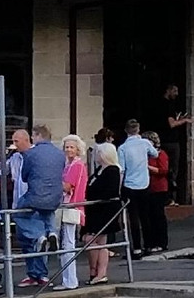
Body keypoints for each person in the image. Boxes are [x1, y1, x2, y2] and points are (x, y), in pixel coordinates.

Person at [12, 125, 65, 287]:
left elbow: (25, 177)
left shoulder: (31, 154)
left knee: (19, 214)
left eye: (16, 141)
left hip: (33, 197)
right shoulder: (59, 153)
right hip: (54, 198)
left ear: (35, 136)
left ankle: (41, 237)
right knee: (46, 215)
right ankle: (52, 234)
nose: (13, 144)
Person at [117, 119, 158, 256]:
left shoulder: (122, 148)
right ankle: (149, 245)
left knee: (133, 217)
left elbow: (121, 170)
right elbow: (155, 153)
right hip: (144, 183)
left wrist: (119, 188)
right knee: (145, 215)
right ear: (138, 129)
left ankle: (136, 248)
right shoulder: (145, 143)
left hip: (130, 184)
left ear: (126, 131)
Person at [83, 142, 122, 286]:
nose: (96, 155)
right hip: (94, 210)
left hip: (105, 210)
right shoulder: (99, 169)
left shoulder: (112, 170)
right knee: (94, 240)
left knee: (94, 240)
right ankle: (95, 272)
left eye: (99, 153)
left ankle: (99, 272)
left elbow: (110, 191)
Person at [58, 134, 88, 290]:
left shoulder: (75, 166)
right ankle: (68, 279)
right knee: (66, 243)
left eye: (71, 147)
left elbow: (67, 186)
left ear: (77, 150)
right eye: (67, 147)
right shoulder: (73, 164)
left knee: (68, 244)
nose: (68, 150)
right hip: (71, 205)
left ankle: (70, 280)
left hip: (71, 205)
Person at [154, 84, 192, 205]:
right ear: (168, 90)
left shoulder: (159, 104)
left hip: (163, 141)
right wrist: (184, 120)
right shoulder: (168, 105)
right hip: (170, 141)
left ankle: (165, 197)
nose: (176, 94)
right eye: (174, 91)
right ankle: (170, 198)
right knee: (171, 171)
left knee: (164, 169)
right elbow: (171, 124)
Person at [143, 131, 169, 253]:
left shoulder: (161, 154)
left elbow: (163, 170)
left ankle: (161, 242)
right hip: (147, 187)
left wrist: (147, 167)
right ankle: (151, 242)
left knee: (158, 216)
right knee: (149, 217)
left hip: (159, 188)